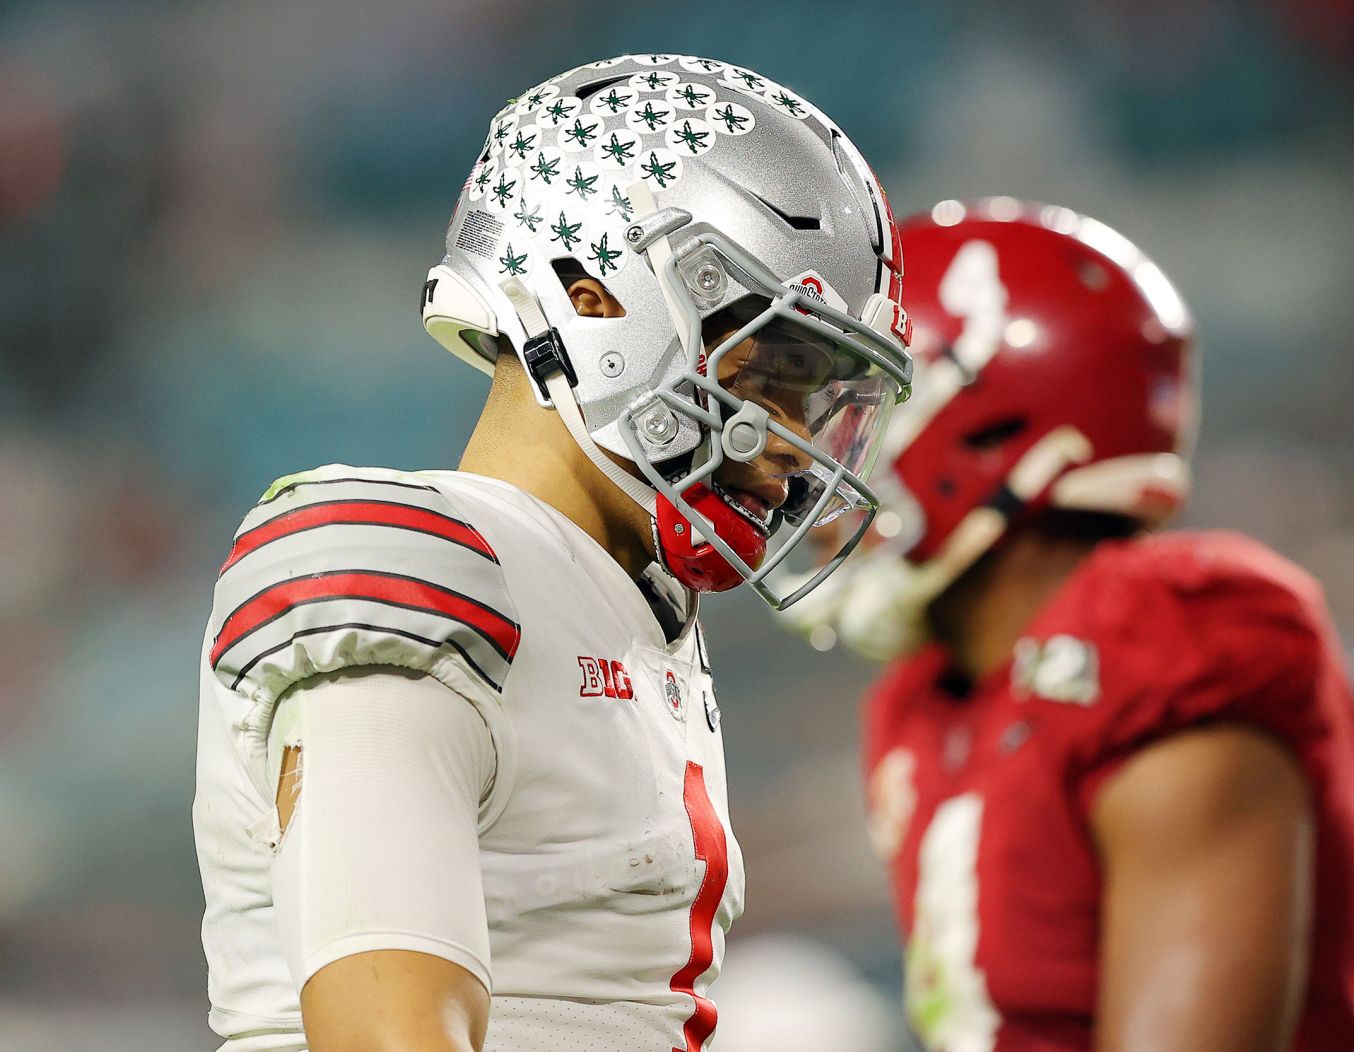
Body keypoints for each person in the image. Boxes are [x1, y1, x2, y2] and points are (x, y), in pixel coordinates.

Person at [192, 53, 912, 1052]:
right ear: (598, 293)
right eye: (772, 374)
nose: (792, 448)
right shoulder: (409, 563)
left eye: (819, 399)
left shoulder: (627, 609)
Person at [787, 199, 1354, 1052]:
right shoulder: (925, 699)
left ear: (983, 423)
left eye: (855, 418)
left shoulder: (1166, 632)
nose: (810, 461)